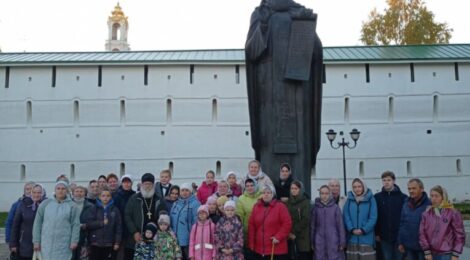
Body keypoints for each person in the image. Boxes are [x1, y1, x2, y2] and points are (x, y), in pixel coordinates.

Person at [245, 0, 323, 194]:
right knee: (269, 144)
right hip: (268, 94)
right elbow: (252, 51)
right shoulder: (261, 14)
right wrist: (262, 26)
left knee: (299, 146)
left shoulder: (299, 13)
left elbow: (316, 52)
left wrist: (308, 31)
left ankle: (300, 194)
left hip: (298, 95)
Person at [32, 180, 81, 259]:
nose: (60, 190)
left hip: (63, 244)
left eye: (63, 188)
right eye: (58, 188)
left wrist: (74, 241)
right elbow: (37, 223)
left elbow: (75, 224)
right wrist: (36, 241)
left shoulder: (72, 206)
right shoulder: (45, 204)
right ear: (55, 190)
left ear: (67, 191)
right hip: (46, 243)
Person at [125, 173, 166, 260]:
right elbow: (127, 216)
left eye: (150, 184)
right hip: (136, 237)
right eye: (145, 184)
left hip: (154, 239)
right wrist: (134, 232)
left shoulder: (158, 199)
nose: (147, 186)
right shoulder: (134, 199)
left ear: (153, 185)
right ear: (142, 184)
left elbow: (163, 218)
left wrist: (158, 233)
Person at [419, 185, 466, 260]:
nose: (433, 198)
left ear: (443, 197)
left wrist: (455, 253)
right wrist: (427, 251)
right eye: (431, 196)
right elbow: (422, 233)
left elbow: (459, 235)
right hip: (431, 253)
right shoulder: (426, 213)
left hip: (446, 253)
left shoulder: (453, 213)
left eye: (436, 196)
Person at [248, 184, 292, 260]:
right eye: (264, 193)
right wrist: (251, 243)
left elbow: (287, 223)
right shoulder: (256, 207)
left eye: (268, 192)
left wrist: (278, 237)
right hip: (259, 249)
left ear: (273, 194)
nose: (266, 194)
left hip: (276, 248)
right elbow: (252, 225)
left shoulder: (280, 206)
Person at [374, 171, 407, 260]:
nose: (386, 182)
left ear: (394, 181)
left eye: (389, 180)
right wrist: (376, 233)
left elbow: (405, 218)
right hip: (384, 236)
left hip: (398, 237)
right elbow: (376, 217)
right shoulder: (377, 197)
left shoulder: (403, 197)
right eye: (384, 180)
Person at [343, 178, 378, 260]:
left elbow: (373, 217)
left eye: (359, 186)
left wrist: (363, 229)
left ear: (363, 187)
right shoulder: (349, 200)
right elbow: (346, 216)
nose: (357, 189)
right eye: (354, 187)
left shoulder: (371, 200)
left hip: (366, 238)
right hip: (352, 238)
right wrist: (351, 229)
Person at [398, 178, 431, 260]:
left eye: (414, 188)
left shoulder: (430, 205)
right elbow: (402, 223)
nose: (411, 191)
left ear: (422, 189)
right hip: (409, 247)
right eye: (409, 189)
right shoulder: (406, 203)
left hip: (423, 248)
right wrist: (400, 242)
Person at [85, 187, 122, 260]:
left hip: (109, 243)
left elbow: (118, 227)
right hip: (95, 243)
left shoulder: (115, 210)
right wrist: (101, 223)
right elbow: (88, 224)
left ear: (111, 197)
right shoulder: (94, 208)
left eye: (108, 196)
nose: (105, 198)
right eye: (103, 196)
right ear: (99, 197)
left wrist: (117, 242)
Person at [10, 184, 45, 260]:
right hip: (25, 243)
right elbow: (15, 225)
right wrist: (13, 243)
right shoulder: (23, 204)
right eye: (34, 192)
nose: (36, 195)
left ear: (42, 193)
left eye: (39, 192)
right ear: (31, 193)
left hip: (42, 243)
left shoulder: (46, 205)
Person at [311, 185, 346, 260]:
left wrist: (342, 242)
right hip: (319, 241)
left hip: (333, 241)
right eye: (322, 193)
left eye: (326, 193)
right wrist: (312, 241)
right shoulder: (316, 208)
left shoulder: (335, 208)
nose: (324, 196)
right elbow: (313, 226)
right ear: (319, 194)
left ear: (330, 194)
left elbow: (340, 226)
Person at [171, 182, 201, 260]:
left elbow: (197, 222)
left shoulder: (195, 204)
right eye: (182, 190)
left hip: (188, 240)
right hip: (175, 239)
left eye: (187, 190)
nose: (184, 192)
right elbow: (171, 220)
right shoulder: (176, 204)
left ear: (191, 192)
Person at [285, 180, 310, 260]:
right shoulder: (288, 202)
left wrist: (294, 232)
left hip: (302, 236)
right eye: (292, 188)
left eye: (296, 188)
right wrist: (289, 233)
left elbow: (305, 219)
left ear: (300, 189)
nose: (293, 190)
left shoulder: (305, 202)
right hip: (290, 236)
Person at [236, 178, 260, 258]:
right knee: (249, 254)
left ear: (256, 186)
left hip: (261, 231)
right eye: (247, 186)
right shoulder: (241, 199)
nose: (249, 188)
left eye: (252, 185)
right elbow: (239, 216)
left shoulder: (262, 197)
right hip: (247, 231)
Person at [114, 174, 136, 260]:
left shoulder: (135, 196)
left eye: (128, 182)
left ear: (131, 184)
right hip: (120, 229)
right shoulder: (117, 196)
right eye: (124, 182)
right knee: (120, 254)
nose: (126, 184)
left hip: (131, 229)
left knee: (130, 253)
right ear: (122, 183)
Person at [72, 185, 94, 260]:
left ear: (85, 194)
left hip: (84, 238)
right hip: (69, 238)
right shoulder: (68, 205)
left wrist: (85, 225)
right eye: (77, 191)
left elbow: (93, 222)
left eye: (81, 191)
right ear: (73, 193)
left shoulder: (91, 206)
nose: (79, 193)